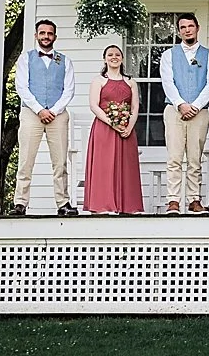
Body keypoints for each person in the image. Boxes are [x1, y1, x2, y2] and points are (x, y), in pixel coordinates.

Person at [11, 19, 78, 217]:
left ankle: (63, 202)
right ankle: (20, 203)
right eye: (42, 33)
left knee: (60, 161)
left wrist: (54, 111)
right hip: (32, 113)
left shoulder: (65, 61)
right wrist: (40, 110)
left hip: (57, 115)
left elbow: (69, 90)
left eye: (49, 33)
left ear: (55, 37)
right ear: (36, 35)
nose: (46, 36)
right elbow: (22, 87)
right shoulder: (26, 59)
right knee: (25, 160)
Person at [158, 14, 209, 214]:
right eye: (182, 27)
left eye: (190, 26)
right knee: (174, 157)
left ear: (197, 28)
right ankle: (173, 200)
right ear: (178, 31)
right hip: (174, 110)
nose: (187, 30)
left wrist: (196, 106)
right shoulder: (169, 55)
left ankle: (194, 200)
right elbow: (168, 82)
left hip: (200, 112)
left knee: (195, 158)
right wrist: (181, 104)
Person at [82, 43, 142, 215]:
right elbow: (94, 105)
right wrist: (112, 123)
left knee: (126, 166)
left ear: (122, 58)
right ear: (105, 59)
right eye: (110, 55)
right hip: (104, 128)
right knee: (103, 166)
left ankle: (127, 206)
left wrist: (129, 126)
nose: (114, 57)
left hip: (126, 130)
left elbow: (135, 107)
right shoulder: (98, 81)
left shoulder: (130, 82)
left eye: (117, 54)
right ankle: (103, 204)